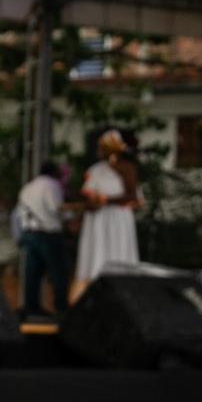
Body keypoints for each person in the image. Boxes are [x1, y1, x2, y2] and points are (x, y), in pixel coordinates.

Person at [70, 129, 141, 304]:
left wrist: (107, 200)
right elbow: (87, 198)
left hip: (118, 219)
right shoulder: (95, 170)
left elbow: (133, 197)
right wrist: (92, 205)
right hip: (97, 221)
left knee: (118, 259)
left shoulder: (126, 168)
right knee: (94, 260)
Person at [12, 160, 71, 319]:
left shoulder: (28, 187)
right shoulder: (52, 185)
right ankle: (61, 307)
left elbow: (17, 213)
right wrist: (70, 216)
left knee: (33, 273)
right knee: (59, 272)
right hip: (48, 233)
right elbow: (56, 208)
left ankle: (31, 307)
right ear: (54, 172)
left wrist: (18, 235)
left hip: (29, 233)